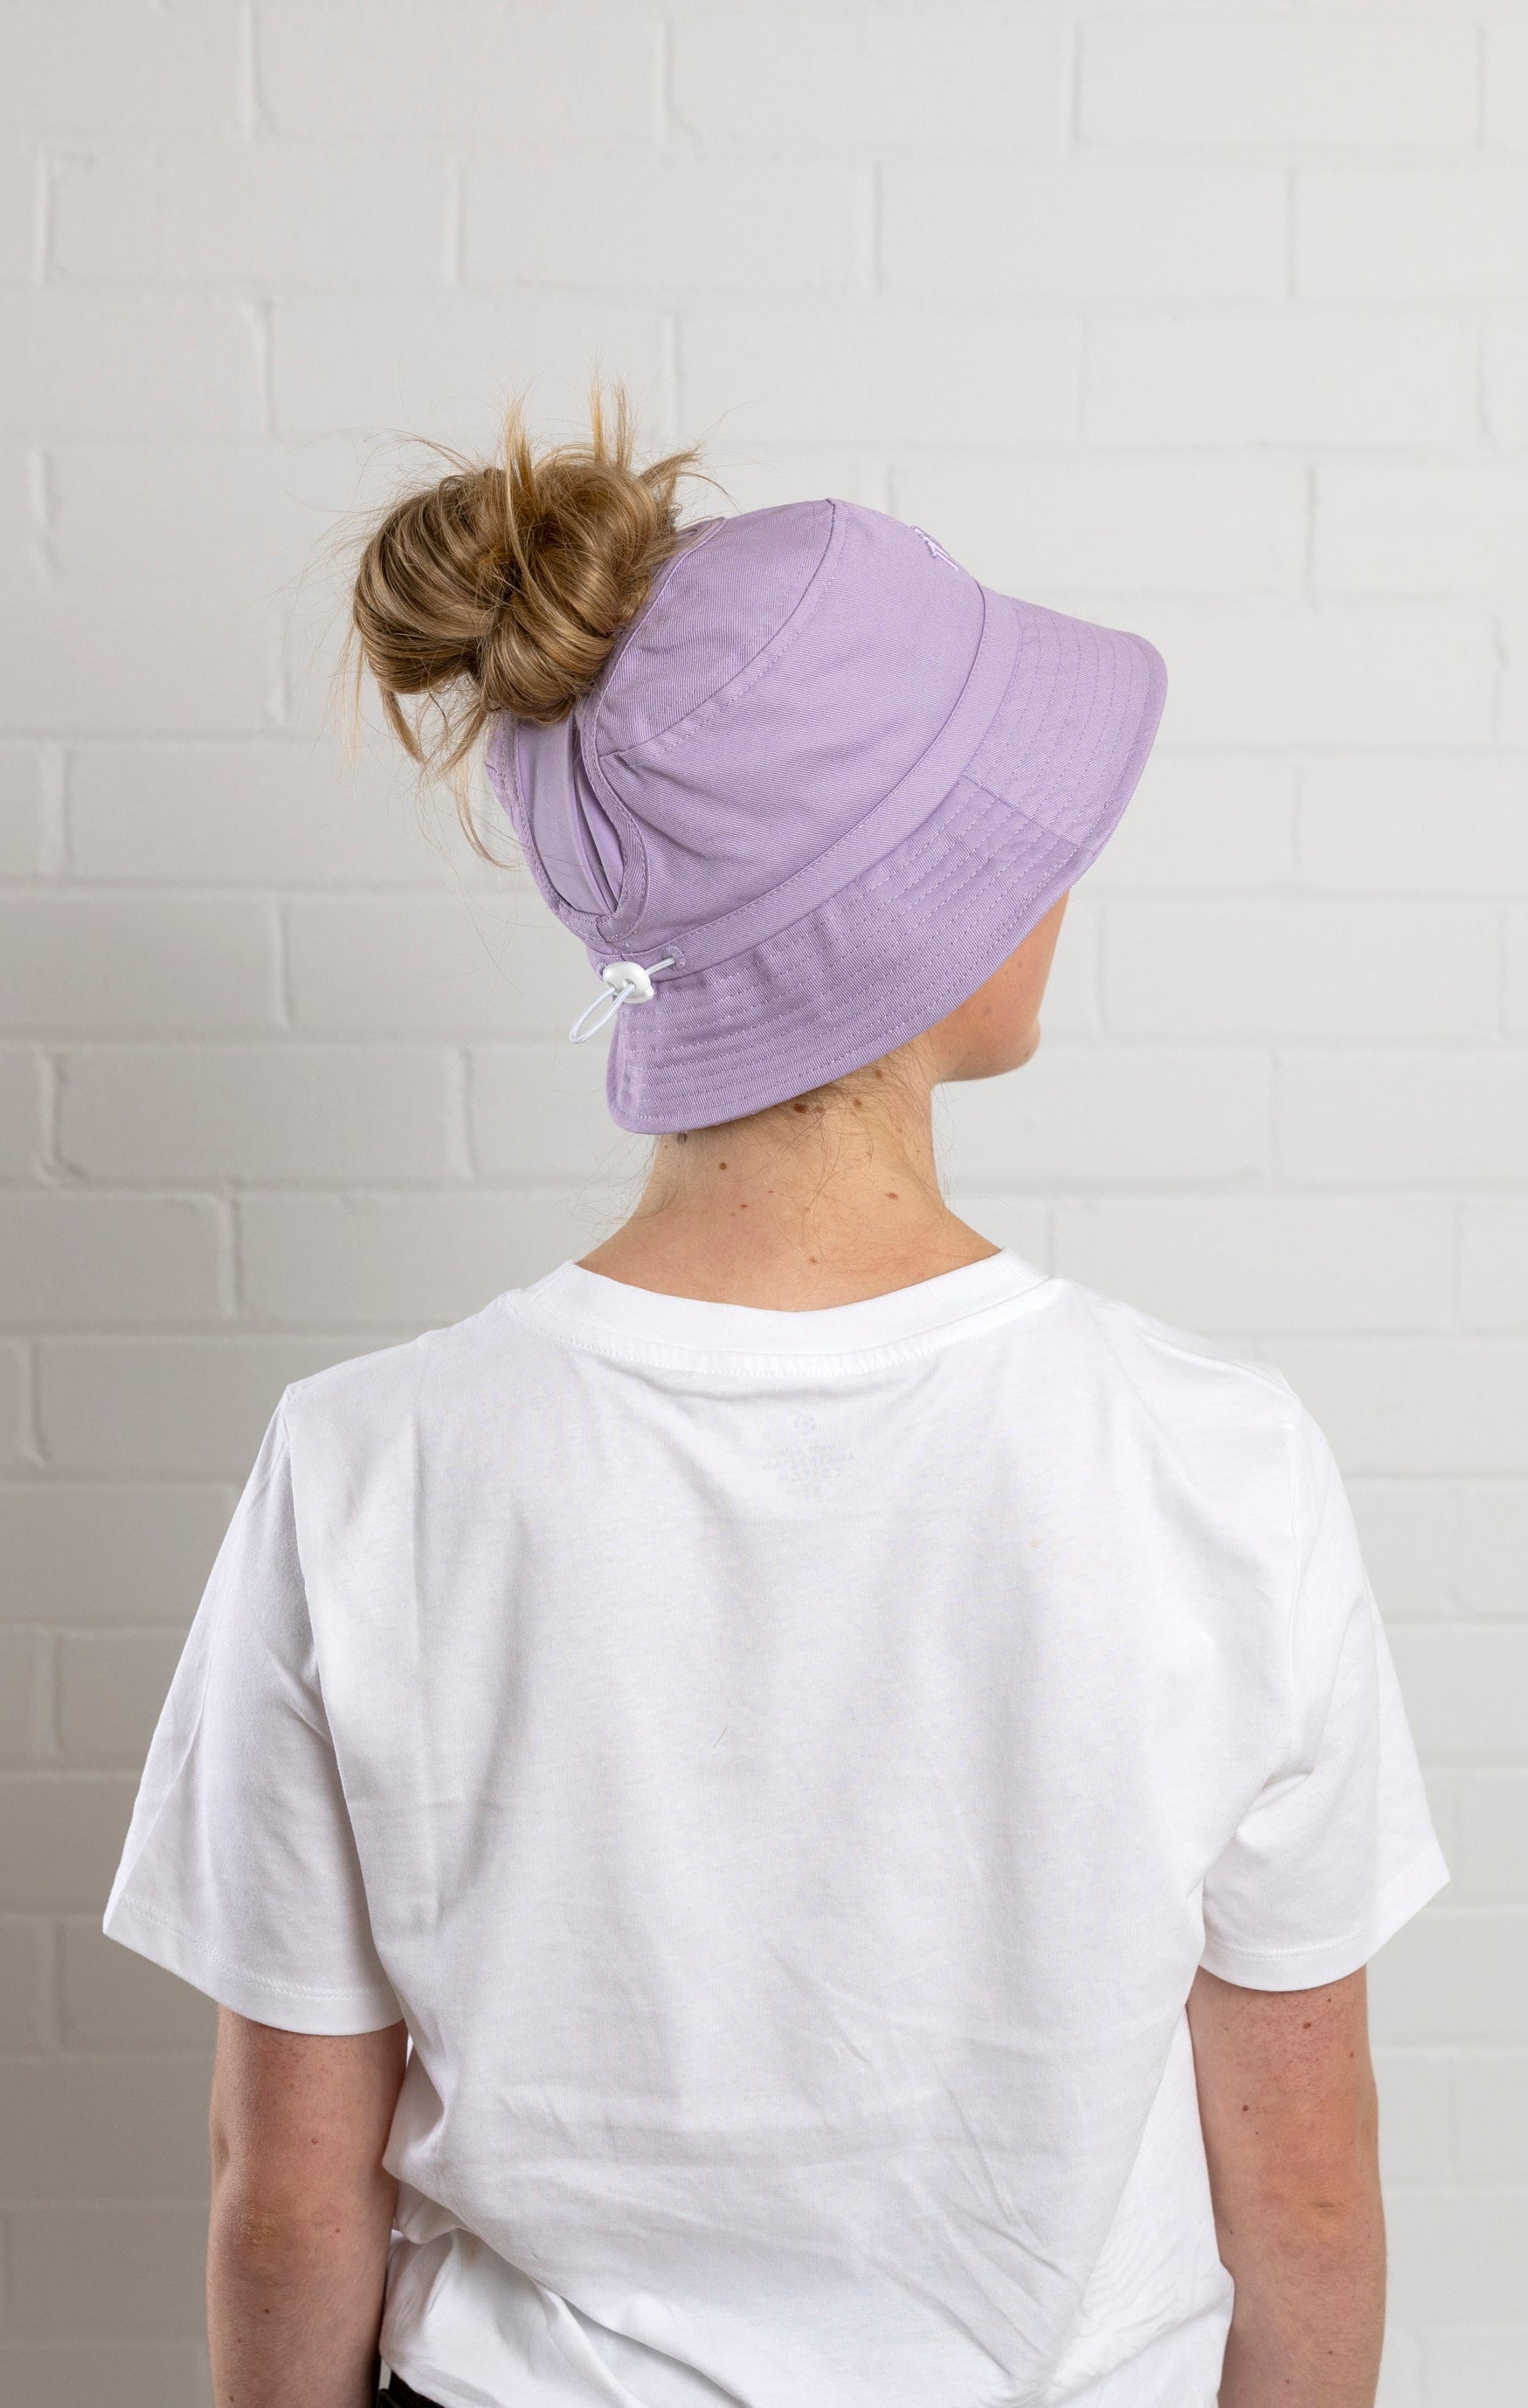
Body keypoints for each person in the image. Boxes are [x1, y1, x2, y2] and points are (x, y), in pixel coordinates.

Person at [105, 392, 1449, 2408]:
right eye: (1020, 832)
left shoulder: (371, 1464)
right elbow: (1309, 2182)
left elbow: (288, 2188)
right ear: (922, 908)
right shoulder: (1211, 1456)